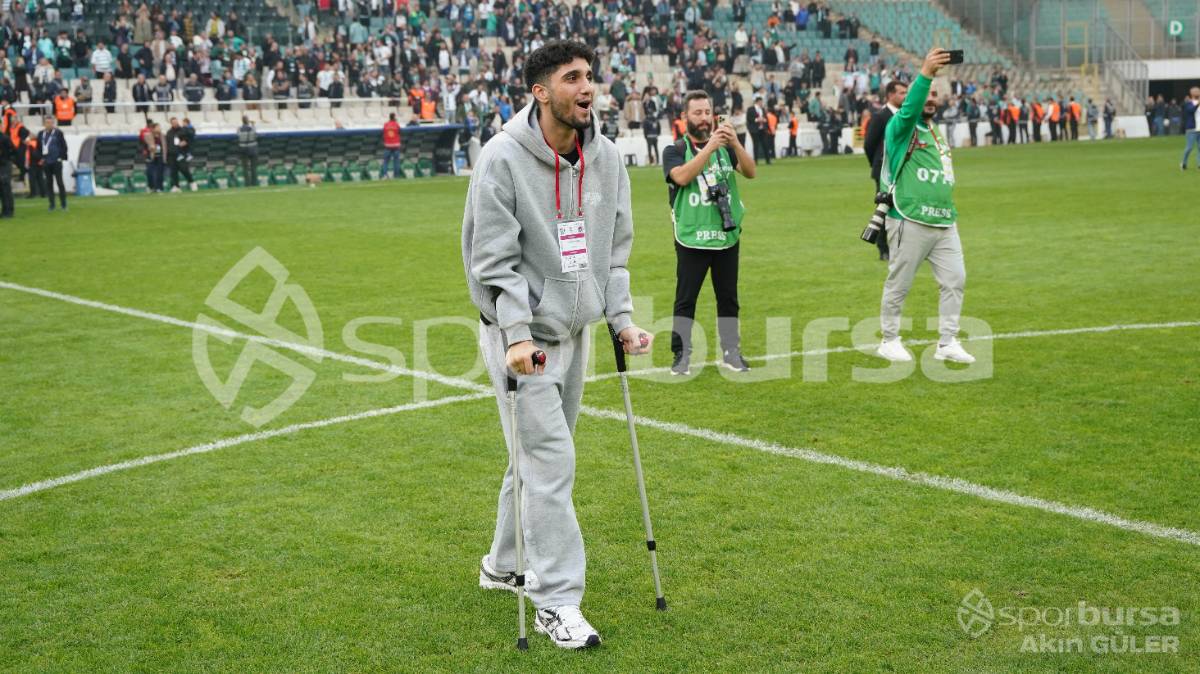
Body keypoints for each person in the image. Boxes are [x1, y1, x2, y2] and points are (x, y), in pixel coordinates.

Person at [461, 40, 651, 650]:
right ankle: (558, 600)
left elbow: (614, 251)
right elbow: (494, 260)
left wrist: (621, 320)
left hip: (579, 331)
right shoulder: (500, 159)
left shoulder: (609, 160)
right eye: (572, 78)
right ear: (541, 92)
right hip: (523, 340)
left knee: (537, 460)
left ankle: (501, 563)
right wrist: (517, 334)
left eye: (589, 76)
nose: (587, 87)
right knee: (551, 463)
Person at [875, 47, 974, 365]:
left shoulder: (935, 133)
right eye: (925, 94)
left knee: (955, 280)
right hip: (909, 217)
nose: (930, 99)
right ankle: (889, 340)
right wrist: (926, 73)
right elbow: (909, 108)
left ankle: (947, 342)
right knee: (899, 281)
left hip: (945, 221)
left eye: (935, 95)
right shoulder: (901, 128)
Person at [663, 89, 757, 375]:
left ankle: (731, 351)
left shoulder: (726, 148)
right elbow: (681, 176)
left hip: (725, 234)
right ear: (684, 117)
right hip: (693, 237)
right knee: (686, 298)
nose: (704, 118)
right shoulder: (675, 150)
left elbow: (751, 172)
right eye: (697, 113)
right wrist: (709, 148)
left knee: (728, 297)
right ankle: (681, 355)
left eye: (708, 112)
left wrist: (735, 142)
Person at [864, 79, 907, 262]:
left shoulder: (905, 115)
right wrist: (878, 164)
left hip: (902, 170)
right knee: (884, 208)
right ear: (890, 95)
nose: (905, 96)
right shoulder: (881, 116)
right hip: (884, 171)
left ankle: (902, 245)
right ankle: (883, 248)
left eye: (906, 93)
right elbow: (869, 144)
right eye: (901, 93)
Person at [37, 116, 68, 212]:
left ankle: (63, 204)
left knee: (60, 183)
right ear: (44, 124)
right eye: (47, 122)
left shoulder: (58, 133)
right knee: (49, 184)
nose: (49, 124)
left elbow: (64, 146)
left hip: (56, 161)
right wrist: (41, 158)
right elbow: (38, 147)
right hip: (46, 162)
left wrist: (61, 158)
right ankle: (52, 205)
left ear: (53, 123)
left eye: (51, 122)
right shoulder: (41, 134)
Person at [166, 117, 196, 192]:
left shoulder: (183, 130)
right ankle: (176, 186)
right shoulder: (169, 132)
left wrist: (186, 142)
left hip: (181, 153)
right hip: (171, 155)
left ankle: (192, 182)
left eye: (176, 122)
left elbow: (190, 137)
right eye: (173, 122)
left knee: (184, 169)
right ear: (171, 123)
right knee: (173, 171)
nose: (175, 123)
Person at [237, 116, 259, 186]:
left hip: (243, 150)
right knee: (253, 167)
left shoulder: (240, 129)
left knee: (245, 168)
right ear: (248, 121)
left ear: (242, 121)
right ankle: (254, 183)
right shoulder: (252, 128)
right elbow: (256, 134)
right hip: (253, 150)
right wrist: (253, 124)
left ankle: (247, 183)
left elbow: (238, 135)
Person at [1182, 87, 1200, 170]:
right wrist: (1198, 104)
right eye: (1195, 91)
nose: (1197, 92)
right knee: (1189, 147)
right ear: (1191, 93)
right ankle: (1184, 163)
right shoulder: (1188, 103)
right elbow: (1191, 110)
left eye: (1198, 91)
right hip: (1191, 129)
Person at [380, 112, 402, 178]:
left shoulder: (386, 124)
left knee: (386, 161)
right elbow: (399, 132)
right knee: (396, 161)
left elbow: (383, 133)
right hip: (396, 145)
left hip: (388, 145)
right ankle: (396, 175)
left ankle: (384, 175)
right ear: (394, 117)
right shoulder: (396, 124)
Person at [0, 130, 15, 218]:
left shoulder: (5, 138)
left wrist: (7, 160)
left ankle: (9, 211)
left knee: (6, 187)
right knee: (1, 189)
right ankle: (4, 210)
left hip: (5, 165)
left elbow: (13, 151)